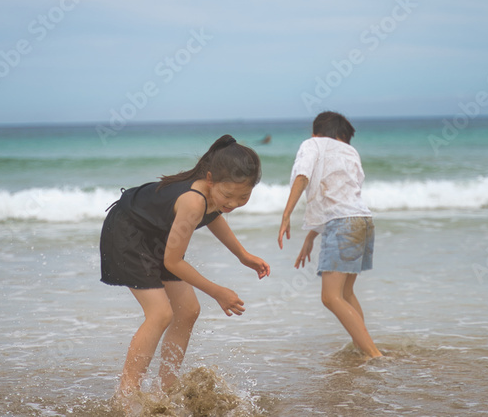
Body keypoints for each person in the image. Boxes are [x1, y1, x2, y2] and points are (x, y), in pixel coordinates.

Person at [100, 134, 270, 400]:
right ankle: (127, 394)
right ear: (211, 179)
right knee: (160, 313)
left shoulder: (213, 195)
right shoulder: (193, 200)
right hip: (129, 233)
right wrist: (217, 291)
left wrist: (242, 255)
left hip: (157, 235)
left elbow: (213, 214)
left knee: (188, 310)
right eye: (228, 195)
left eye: (243, 197)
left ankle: (165, 386)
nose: (234, 204)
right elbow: (173, 261)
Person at [278, 112, 382, 358]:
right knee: (346, 294)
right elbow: (342, 198)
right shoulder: (350, 152)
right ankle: (363, 347)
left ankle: (374, 354)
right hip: (363, 222)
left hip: (343, 225)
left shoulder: (311, 144)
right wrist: (310, 238)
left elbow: (302, 176)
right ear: (342, 136)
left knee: (330, 297)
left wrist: (286, 215)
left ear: (315, 133)